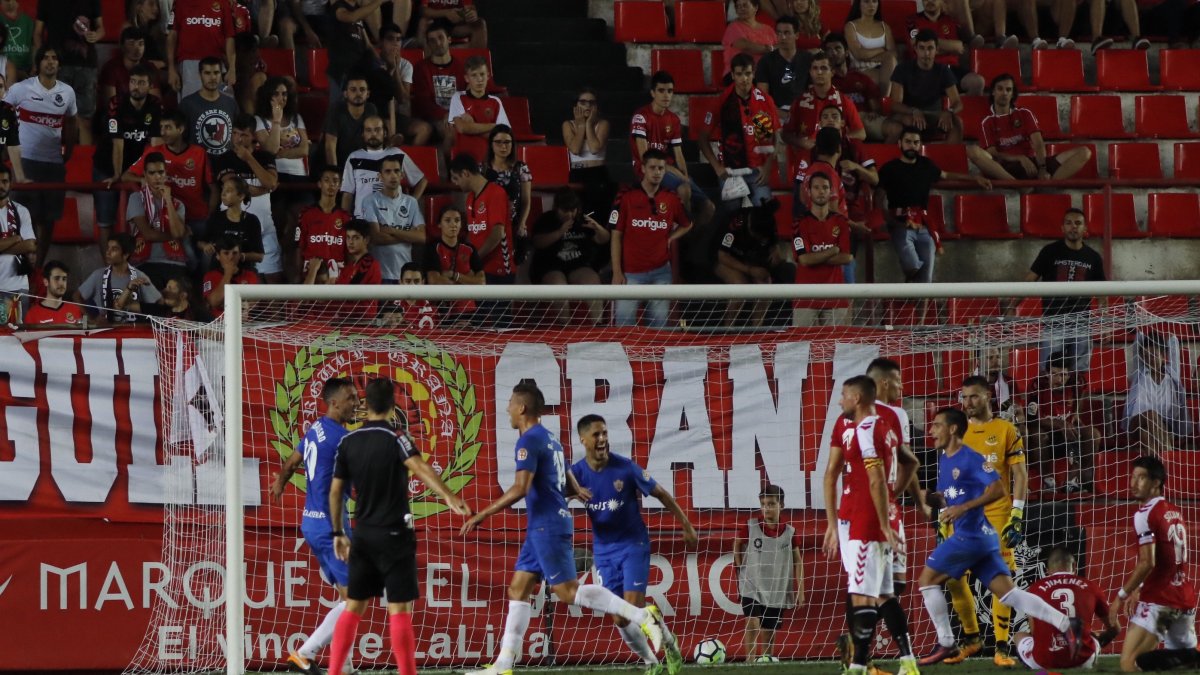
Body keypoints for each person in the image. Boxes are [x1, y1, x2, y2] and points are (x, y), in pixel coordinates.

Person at [459, 382, 674, 675]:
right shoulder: (550, 438)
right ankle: (503, 665)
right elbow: (563, 478)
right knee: (518, 588)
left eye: (510, 402)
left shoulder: (528, 441)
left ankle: (641, 615)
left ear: (521, 407)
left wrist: (482, 513)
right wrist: (576, 489)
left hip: (547, 526)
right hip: (543, 525)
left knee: (568, 592)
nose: (507, 408)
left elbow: (521, 488)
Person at [325, 377, 471, 675]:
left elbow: (335, 491)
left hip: (363, 535)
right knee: (399, 609)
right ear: (393, 406)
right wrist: (448, 495)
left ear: (365, 406)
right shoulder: (397, 437)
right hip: (394, 535)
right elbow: (420, 467)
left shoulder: (348, 441)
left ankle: (334, 672)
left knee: (354, 605)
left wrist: (339, 532)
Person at [916, 406, 1082, 666]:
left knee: (927, 580)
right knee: (1010, 594)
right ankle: (1064, 623)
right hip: (978, 538)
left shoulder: (970, 458)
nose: (931, 429)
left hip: (971, 536)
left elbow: (997, 490)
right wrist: (928, 498)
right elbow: (949, 496)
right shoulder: (945, 458)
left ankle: (947, 642)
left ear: (952, 429)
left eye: (936, 425)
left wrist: (964, 508)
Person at [571, 413, 694, 673]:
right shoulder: (577, 474)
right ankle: (652, 661)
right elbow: (554, 501)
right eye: (596, 435)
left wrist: (686, 524)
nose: (603, 439)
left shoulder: (625, 468)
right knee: (619, 616)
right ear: (583, 439)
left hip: (633, 546)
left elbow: (661, 493)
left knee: (632, 605)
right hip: (603, 552)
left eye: (605, 433)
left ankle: (669, 647)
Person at [821, 376, 916, 675]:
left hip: (865, 520)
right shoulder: (884, 427)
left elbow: (875, 479)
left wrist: (883, 524)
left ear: (858, 398)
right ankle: (908, 662)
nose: (840, 401)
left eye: (844, 396)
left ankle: (858, 665)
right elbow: (908, 463)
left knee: (862, 594)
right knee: (883, 593)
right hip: (876, 516)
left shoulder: (864, 429)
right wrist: (889, 509)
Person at [269, 377, 360, 675]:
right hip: (332, 528)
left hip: (311, 523)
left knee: (348, 597)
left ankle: (343, 666)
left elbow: (292, 461)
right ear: (333, 402)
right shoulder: (340, 439)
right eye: (350, 398)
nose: (356, 403)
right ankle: (305, 653)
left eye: (357, 397)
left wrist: (280, 483)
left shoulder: (316, 428)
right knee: (356, 599)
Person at [946, 375, 1029, 666]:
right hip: (963, 517)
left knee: (1000, 580)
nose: (968, 403)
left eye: (974, 397)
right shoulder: (956, 433)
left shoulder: (1006, 430)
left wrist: (1017, 514)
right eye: (964, 398)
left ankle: (1002, 645)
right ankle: (971, 637)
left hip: (998, 515)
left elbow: (1020, 474)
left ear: (987, 397)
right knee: (953, 578)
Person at [1110, 455, 1199, 672]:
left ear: (1156, 483)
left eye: (1141, 478)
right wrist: (1140, 588)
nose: (1133, 483)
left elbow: (1147, 562)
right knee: (1184, 662)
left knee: (1129, 662)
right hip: (1183, 598)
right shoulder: (1175, 511)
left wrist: (1120, 596)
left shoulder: (1144, 513)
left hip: (1161, 603)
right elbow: (1163, 559)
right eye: (1133, 477)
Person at [877, 127, 990, 283]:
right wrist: (887, 218)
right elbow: (878, 197)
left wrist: (974, 178)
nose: (912, 146)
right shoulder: (889, 168)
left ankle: (916, 301)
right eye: (908, 142)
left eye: (915, 142)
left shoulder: (926, 165)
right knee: (913, 266)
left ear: (920, 145)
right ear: (899, 144)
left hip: (924, 225)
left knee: (927, 280)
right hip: (900, 224)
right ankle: (909, 293)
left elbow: (945, 175)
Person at [5, 47, 77, 266]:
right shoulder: (20, 89)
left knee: (48, 220)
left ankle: (38, 268)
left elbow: (72, 122)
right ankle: (19, 265)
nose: (50, 62)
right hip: (26, 163)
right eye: (45, 57)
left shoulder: (68, 93)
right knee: (24, 217)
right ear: (38, 63)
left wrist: (70, 151)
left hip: (53, 164)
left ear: (59, 64)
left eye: (55, 58)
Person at [610, 149, 692, 328]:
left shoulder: (671, 199)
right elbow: (616, 235)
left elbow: (688, 223)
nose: (657, 172)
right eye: (653, 168)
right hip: (630, 274)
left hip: (661, 273)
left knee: (658, 331)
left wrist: (671, 237)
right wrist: (617, 271)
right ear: (643, 169)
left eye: (661, 168)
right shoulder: (626, 196)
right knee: (624, 330)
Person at [1023, 208, 1105, 372]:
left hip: (1082, 323)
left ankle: (1076, 399)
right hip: (1054, 322)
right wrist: (1012, 305)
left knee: (1079, 372)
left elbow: (1103, 292)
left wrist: (1104, 321)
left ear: (1085, 229)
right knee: (1050, 371)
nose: (1073, 227)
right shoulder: (1049, 252)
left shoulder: (1093, 257)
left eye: (1077, 223)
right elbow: (1029, 281)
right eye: (1068, 223)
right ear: (1062, 228)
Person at [968, 74, 1092, 181]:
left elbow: (1038, 143)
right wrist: (1019, 158)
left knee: (1084, 152)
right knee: (973, 151)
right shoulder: (987, 122)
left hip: (1033, 164)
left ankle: (1047, 184)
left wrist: (1042, 168)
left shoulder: (1024, 113)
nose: (1004, 93)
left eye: (1008, 90)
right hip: (1006, 168)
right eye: (1000, 89)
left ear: (1012, 94)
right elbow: (993, 153)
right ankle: (1016, 185)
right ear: (993, 92)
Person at [1012, 547, 1119, 671]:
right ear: (1074, 566)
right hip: (1082, 660)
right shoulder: (1091, 586)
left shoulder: (1035, 588)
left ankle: (1037, 670)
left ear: (1047, 570)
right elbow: (1115, 628)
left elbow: (1035, 632)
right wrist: (1098, 639)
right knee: (1091, 636)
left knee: (1019, 636)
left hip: (1044, 661)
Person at [699, 53, 780, 213]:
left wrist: (768, 165)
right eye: (739, 74)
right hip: (731, 172)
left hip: (757, 171)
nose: (744, 79)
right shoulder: (722, 101)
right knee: (732, 221)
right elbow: (702, 138)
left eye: (748, 73)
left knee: (765, 217)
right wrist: (717, 167)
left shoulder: (764, 101)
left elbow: (776, 137)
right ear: (732, 75)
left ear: (754, 73)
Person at [630, 72, 713, 224]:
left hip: (667, 170)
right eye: (661, 91)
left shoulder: (673, 119)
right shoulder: (641, 116)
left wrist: (685, 176)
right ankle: (681, 233)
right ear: (652, 93)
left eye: (670, 91)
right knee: (684, 190)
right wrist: (676, 173)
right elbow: (645, 158)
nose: (666, 95)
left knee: (709, 207)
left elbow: (678, 153)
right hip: (647, 170)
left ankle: (690, 239)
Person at [734, 484, 803, 662]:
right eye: (763, 504)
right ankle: (749, 661)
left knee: (768, 630)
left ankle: (766, 660)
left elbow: (798, 560)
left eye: (771, 504)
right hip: (751, 585)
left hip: (776, 588)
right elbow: (737, 544)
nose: (766, 508)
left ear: (781, 505)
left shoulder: (789, 532)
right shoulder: (751, 526)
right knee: (752, 622)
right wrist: (741, 568)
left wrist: (800, 590)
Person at [123, 110, 212, 242]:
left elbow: (212, 187)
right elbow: (125, 176)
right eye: (161, 127)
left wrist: (209, 214)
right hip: (170, 218)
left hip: (197, 218)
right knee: (188, 258)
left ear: (180, 129)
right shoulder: (153, 152)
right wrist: (142, 179)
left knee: (206, 259)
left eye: (168, 127)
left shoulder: (199, 153)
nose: (163, 132)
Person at [96, 64, 161, 243]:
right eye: (132, 82)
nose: (135, 86)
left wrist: (150, 174)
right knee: (105, 221)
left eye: (141, 82)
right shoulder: (116, 103)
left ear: (150, 86)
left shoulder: (155, 105)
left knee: (138, 219)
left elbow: (155, 144)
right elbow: (118, 143)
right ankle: (108, 267)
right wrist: (118, 175)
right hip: (107, 166)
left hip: (136, 167)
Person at [212, 114, 281, 281]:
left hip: (264, 225)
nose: (238, 139)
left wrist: (249, 158)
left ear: (253, 136)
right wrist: (265, 189)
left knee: (274, 277)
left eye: (243, 135)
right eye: (235, 133)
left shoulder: (265, 157)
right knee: (229, 274)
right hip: (232, 226)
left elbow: (270, 181)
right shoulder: (223, 159)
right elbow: (235, 189)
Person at [781, 53, 866, 180]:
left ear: (832, 72)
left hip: (835, 160)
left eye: (824, 68)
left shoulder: (844, 101)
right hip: (806, 161)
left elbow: (861, 133)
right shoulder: (800, 102)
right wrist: (801, 142)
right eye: (815, 68)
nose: (819, 72)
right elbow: (785, 134)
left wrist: (838, 140)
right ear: (810, 72)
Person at [530, 187, 608, 324]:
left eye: (573, 210)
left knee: (592, 280)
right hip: (551, 266)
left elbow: (604, 239)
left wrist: (598, 228)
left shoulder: (583, 220)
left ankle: (598, 324)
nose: (570, 215)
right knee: (559, 285)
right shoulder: (547, 219)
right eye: (565, 211)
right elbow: (537, 242)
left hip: (577, 265)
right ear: (556, 208)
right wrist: (560, 232)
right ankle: (565, 326)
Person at [1026, 352, 1097, 491]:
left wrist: (1076, 413)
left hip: (1067, 436)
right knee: (1037, 434)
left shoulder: (1077, 382)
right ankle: (1048, 482)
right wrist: (1060, 424)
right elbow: (1031, 420)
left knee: (1093, 434)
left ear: (1069, 375)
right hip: (1045, 438)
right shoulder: (1037, 385)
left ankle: (1073, 480)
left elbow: (1079, 398)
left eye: (1063, 375)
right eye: (1054, 374)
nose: (1059, 379)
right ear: (1046, 374)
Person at [34, 0, 102, 144]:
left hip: (86, 66)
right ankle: (53, 161)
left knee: (84, 121)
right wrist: (42, 61)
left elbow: (101, 29)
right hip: (57, 65)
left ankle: (84, 164)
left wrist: (96, 35)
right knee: (52, 120)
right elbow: (37, 33)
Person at [884, 30, 965, 143]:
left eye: (930, 48)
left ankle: (947, 158)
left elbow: (958, 102)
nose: (926, 53)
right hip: (907, 114)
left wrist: (949, 111)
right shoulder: (902, 69)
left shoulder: (943, 70)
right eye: (922, 48)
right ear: (915, 49)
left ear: (937, 50)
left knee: (957, 123)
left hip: (933, 115)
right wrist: (913, 111)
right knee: (910, 121)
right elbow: (895, 104)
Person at [449, 153, 515, 290]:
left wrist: (475, 258)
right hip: (480, 271)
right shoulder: (469, 198)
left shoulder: (496, 193)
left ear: (466, 173)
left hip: (499, 270)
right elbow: (473, 232)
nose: (455, 183)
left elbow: (497, 233)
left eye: (456, 178)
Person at [340, 115, 427, 218]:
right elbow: (347, 194)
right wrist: (344, 218)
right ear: (363, 134)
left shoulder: (397, 154)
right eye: (369, 130)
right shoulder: (354, 157)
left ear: (385, 133)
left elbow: (421, 181)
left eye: (377, 130)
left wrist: (410, 204)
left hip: (392, 219)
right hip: (362, 219)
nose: (373, 134)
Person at [1125, 331, 1194, 457]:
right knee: (1151, 415)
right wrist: (1141, 329)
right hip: (1137, 422)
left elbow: (1173, 345)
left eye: (1153, 355)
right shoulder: (1139, 374)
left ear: (1163, 356)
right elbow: (1137, 345)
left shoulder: (1171, 374)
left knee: (1145, 434)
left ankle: (1158, 466)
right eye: (1145, 356)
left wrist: (1171, 335)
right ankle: (1170, 455)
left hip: (1162, 426)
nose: (1148, 359)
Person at [126, 151, 188, 289]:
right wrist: (173, 235)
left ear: (166, 173)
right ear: (145, 175)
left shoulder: (177, 204)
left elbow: (178, 232)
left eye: (160, 172)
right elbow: (147, 234)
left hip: (175, 262)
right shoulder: (136, 198)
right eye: (152, 173)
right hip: (145, 262)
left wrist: (168, 201)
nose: (157, 177)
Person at [713, 200, 779, 328]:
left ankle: (757, 330)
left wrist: (775, 250)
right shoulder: (736, 222)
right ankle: (728, 331)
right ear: (750, 227)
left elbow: (773, 244)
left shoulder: (767, 221)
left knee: (766, 287)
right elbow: (722, 256)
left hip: (750, 258)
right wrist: (749, 270)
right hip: (724, 257)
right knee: (740, 286)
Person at [362, 154, 426, 282]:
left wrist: (392, 230)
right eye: (388, 171)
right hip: (380, 275)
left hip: (405, 277)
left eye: (396, 171)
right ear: (380, 176)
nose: (393, 175)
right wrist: (408, 236)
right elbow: (375, 237)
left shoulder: (411, 202)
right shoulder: (370, 201)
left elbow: (421, 237)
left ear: (402, 175)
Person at [76, 233, 162, 324]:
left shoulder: (139, 276)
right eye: (108, 248)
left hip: (133, 331)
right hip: (106, 330)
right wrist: (90, 319)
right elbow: (77, 296)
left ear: (125, 255)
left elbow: (159, 302)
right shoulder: (98, 275)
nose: (108, 252)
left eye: (114, 249)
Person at [903, 0, 983, 95]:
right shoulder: (912, 21)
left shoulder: (951, 21)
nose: (930, 1)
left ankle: (966, 109)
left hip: (951, 69)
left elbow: (959, 47)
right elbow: (917, 46)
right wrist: (950, 47)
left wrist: (929, 43)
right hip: (926, 69)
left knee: (977, 81)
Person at [373, 23, 432, 146]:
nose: (395, 43)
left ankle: (406, 158)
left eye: (398, 40)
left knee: (424, 129)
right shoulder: (373, 63)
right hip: (376, 113)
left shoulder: (406, 65)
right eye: (390, 39)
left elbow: (403, 99)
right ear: (381, 42)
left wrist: (395, 69)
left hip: (398, 115)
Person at [424, 205, 483, 325]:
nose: (453, 224)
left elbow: (481, 282)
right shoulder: (432, 248)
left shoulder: (470, 249)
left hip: (468, 310)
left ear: (461, 224)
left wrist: (455, 276)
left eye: (457, 220)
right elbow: (435, 281)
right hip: (442, 311)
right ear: (439, 224)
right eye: (447, 220)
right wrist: (468, 279)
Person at [166, 0, 236, 98]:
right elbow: (172, 36)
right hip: (188, 66)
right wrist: (171, 69)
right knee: (192, 108)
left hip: (217, 64)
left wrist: (232, 69)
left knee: (222, 107)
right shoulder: (180, 2)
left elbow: (230, 37)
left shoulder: (223, 2)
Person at [411, 19, 465, 142]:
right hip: (431, 119)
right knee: (451, 132)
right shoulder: (421, 68)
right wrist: (445, 115)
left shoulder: (460, 67)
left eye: (441, 38)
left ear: (449, 39)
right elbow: (424, 103)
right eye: (432, 40)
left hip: (456, 117)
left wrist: (455, 115)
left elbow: (465, 97)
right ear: (428, 45)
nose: (438, 43)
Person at [482, 124, 532, 256]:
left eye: (507, 142)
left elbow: (526, 200)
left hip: (514, 221)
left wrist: (522, 223)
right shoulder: (482, 169)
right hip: (488, 222)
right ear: (491, 144)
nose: (503, 147)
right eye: (498, 142)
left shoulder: (521, 167)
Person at [448, 55, 509, 162]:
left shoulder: (496, 101)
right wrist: (494, 126)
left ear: (488, 76)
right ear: (467, 78)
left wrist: (473, 126)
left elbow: (503, 138)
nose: (479, 79)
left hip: (490, 161)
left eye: (482, 74)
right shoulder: (458, 97)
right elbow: (462, 128)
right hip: (464, 160)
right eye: (474, 75)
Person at [825, 33, 884, 142]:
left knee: (895, 129)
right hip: (838, 122)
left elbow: (876, 107)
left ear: (846, 52)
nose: (833, 53)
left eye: (837, 48)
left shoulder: (861, 78)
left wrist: (874, 112)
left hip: (864, 119)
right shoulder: (825, 81)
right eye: (829, 50)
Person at [296, 168, 351, 284]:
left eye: (335, 181)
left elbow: (349, 250)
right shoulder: (306, 214)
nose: (331, 184)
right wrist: (297, 276)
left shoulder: (345, 217)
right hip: (311, 273)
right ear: (320, 184)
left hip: (337, 275)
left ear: (340, 185)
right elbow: (298, 247)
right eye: (327, 180)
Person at [562, 87, 611, 215]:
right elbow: (575, 149)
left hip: (597, 173)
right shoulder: (568, 124)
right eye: (583, 102)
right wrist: (581, 125)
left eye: (591, 102)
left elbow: (594, 148)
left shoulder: (603, 123)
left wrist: (589, 124)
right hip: (577, 172)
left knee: (597, 214)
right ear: (575, 105)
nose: (587, 106)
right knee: (576, 211)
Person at [179, 56, 240, 158]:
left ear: (221, 75)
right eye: (207, 73)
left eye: (216, 73)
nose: (212, 77)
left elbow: (237, 135)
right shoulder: (187, 104)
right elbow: (181, 139)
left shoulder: (231, 103)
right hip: (197, 164)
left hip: (227, 165)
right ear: (200, 75)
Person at [204, 175, 265, 271]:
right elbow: (201, 241)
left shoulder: (252, 220)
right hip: (217, 270)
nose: (223, 194)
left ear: (241, 196)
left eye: (228, 191)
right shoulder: (216, 217)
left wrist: (238, 256)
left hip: (243, 271)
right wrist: (206, 246)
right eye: (223, 189)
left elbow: (260, 256)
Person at [754, 16, 812, 116]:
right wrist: (783, 115)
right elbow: (762, 98)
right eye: (779, 33)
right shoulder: (766, 61)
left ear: (797, 35)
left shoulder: (808, 59)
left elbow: (814, 92)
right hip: (775, 114)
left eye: (787, 33)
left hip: (804, 112)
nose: (782, 37)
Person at [0, 164, 33, 325]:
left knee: (16, 338)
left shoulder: (21, 211)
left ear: (10, 183)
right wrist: (14, 239)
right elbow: (22, 243)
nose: (1, 186)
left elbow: (30, 246)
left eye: (5, 181)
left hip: (17, 286)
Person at [843, 0, 897, 97]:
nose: (871, 5)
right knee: (894, 81)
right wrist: (881, 50)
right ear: (859, 5)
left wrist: (867, 55)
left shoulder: (884, 27)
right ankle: (885, 102)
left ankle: (884, 101)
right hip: (860, 69)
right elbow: (858, 54)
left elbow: (893, 54)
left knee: (891, 60)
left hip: (885, 68)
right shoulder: (850, 26)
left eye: (874, 1)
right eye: (867, 1)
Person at [325, 74, 379, 169]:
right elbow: (330, 146)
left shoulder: (371, 110)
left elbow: (374, 142)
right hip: (340, 163)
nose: (358, 93)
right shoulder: (336, 110)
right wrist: (335, 173)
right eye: (353, 90)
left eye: (362, 90)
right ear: (345, 94)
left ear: (368, 94)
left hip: (362, 164)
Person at [99, 27, 160, 102]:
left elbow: (156, 101)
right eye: (131, 44)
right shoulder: (111, 68)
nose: (137, 49)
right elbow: (109, 104)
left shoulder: (149, 67)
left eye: (141, 44)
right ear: (122, 46)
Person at [202, 235, 258, 318]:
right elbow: (214, 302)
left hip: (244, 324)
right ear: (217, 256)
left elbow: (254, 303)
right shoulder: (210, 276)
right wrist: (228, 273)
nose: (231, 257)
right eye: (226, 253)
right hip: (219, 325)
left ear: (239, 255)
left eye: (235, 253)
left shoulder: (250, 275)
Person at [722, 0, 777, 81]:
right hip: (740, 72)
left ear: (756, 7)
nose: (741, 9)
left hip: (764, 71)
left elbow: (780, 46)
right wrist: (769, 49)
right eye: (738, 7)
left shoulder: (768, 29)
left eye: (745, 5)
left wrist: (771, 49)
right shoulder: (733, 27)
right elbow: (747, 46)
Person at [24, 260, 82, 326]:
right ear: (46, 282)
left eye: (64, 279)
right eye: (56, 278)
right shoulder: (32, 314)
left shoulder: (76, 310)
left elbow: (84, 333)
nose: (61, 283)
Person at [417, 0, 487, 49]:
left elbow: (469, 8)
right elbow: (423, 11)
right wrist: (446, 13)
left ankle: (477, 64)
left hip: (455, 23)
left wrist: (471, 14)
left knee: (480, 24)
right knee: (423, 22)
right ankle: (424, 59)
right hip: (435, 22)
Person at [0, 0, 34, 78]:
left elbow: (34, 44)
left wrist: (34, 66)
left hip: (27, 71)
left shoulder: (28, 20)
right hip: (2, 72)